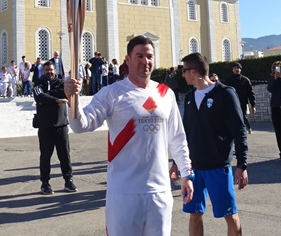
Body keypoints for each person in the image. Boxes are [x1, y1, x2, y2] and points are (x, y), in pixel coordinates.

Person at [65, 35, 193, 236]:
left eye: (149, 56)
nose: (145, 61)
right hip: (124, 193)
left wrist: (186, 173)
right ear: (128, 59)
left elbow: (177, 138)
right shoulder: (112, 93)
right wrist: (72, 99)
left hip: (159, 192)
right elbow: (81, 125)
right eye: (139, 56)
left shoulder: (165, 93)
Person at [177, 52, 248, 236]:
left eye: (184, 70)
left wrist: (242, 164)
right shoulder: (190, 97)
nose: (182, 74)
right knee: (194, 215)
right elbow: (185, 131)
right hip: (194, 169)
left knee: (230, 216)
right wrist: (178, 162)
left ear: (193, 71)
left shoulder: (225, 93)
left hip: (218, 167)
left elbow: (239, 130)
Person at [33, 61, 75, 195]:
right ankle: (45, 183)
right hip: (45, 126)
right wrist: (56, 99)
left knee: (65, 155)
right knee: (45, 156)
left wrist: (48, 95)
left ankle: (68, 180)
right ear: (43, 71)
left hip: (61, 124)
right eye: (46, 70)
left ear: (55, 70)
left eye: (51, 70)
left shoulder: (62, 83)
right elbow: (39, 96)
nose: (49, 72)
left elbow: (64, 92)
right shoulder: (38, 83)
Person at [223, 63, 257, 134]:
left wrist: (253, 105)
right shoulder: (229, 80)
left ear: (240, 69)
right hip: (232, 102)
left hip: (243, 101)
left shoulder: (245, 80)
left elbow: (250, 93)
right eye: (235, 68)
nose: (236, 69)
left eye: (238, 68)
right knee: (233, 116)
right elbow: (225, 92)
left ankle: (248, 128)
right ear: (232, 70)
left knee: (243, 116)